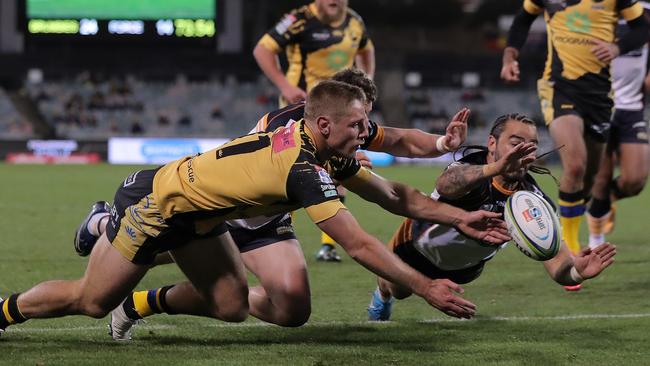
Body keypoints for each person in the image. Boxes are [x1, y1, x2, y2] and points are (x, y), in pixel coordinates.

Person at [0, 81, 508, 339]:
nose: (367, 136)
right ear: (326, 126)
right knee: (90, 302)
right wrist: (424, 287)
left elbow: (395, 195)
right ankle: (5, 310)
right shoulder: (303, 167)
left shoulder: (325, 149)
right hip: (157, 206)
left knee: (231, 306)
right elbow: (357, 243)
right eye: (358, 128)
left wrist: (462, 217)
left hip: (203, 217)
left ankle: (119, 258)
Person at [367, 114, 617, 321]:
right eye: (516, 142)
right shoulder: (472, 168)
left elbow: (555, 260)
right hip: (415, 247)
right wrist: (496, 168)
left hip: (465, 269)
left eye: (532, 145)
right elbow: (446, 185)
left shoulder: (531, 199)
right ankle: (382, 294)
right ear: (492, 143)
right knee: (398, 290)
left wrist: (576, 272)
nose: (525, 151)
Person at [500, 0, 647, 291]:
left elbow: (643, 27)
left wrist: (617, 48)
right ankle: (569, 250)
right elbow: (522, 19)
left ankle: (585, 215)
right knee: (575, 164)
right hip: (559, 86)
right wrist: (509, 55)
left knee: (589, 182)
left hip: (600, 96)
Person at [253, 0, 375, 261]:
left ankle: (328, 246)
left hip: (340, 116)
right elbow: (262, 50)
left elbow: (367, 51)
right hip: (301, 112)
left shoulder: (355, 22)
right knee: (291, 175)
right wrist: (285, 86)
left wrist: (366, 84)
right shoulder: (299, 19)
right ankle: (278, 229)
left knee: (338, 172)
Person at [587, 2, 650, 247]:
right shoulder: (594, 13)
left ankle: (606, 200)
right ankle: (595, 241)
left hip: (631, 108)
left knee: (635, 181)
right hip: (599, 105)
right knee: (601, 177)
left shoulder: (643, 20)